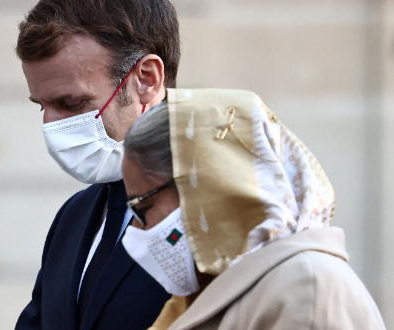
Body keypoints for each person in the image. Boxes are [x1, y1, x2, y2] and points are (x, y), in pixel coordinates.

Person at [120, 88, 386, 330]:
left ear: (205, 188)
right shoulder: (205, 293)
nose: (135, 229)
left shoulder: (303, 285)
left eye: (142, 208)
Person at [14, 0, 181, 329]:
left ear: (147, 80)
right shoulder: (73, 217)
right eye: (41, 106)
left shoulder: (225, 209)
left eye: (71, 102)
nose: (52, 125)